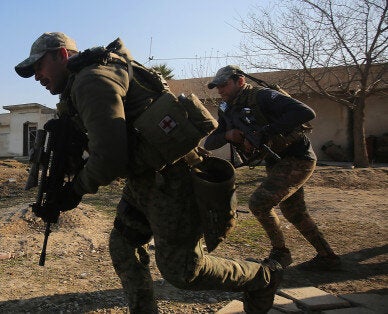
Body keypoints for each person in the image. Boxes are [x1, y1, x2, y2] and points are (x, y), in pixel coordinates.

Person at [16, 32, 283, 313]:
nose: (37, 77)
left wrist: (74, 190)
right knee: (124, 244)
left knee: (183, 271)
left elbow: (109, 157)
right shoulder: (81, 83)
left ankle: (263, 278)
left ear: (62, 54)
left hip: (173, 180)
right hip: (145, 178)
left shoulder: (90, 80)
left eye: (39, 66)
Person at [204, 65, 341, 271]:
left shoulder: (263, 96)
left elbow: (305, 112)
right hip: (275, 162)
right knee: (295, 212)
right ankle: (327, 257)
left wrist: (265, 132)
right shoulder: (227, 110)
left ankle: (281, 253)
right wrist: (227, 135)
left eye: (224, 85)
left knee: (258, 203)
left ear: (240, 81)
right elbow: (210, 143)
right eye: (217, 87)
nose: (220, 90)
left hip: (297, 158)